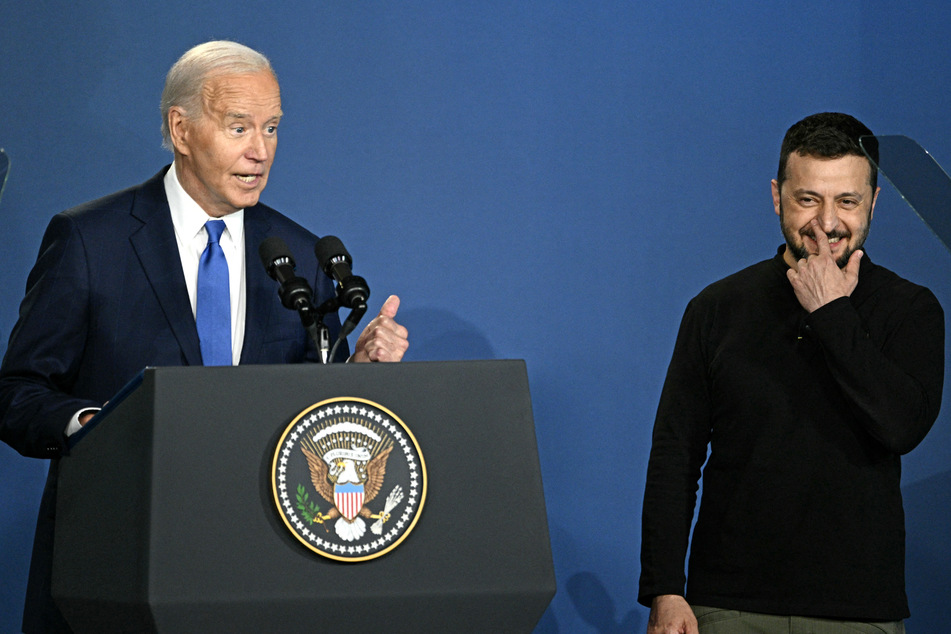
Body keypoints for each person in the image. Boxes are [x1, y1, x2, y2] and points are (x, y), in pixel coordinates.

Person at [0, 40, 409, 633]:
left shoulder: (298, 254)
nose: (260, 151)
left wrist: (360, 377)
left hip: (259, 568)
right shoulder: (91, 240)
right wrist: (92, 428)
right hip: (118, 560)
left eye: (271, 128)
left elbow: (317, 418)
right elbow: (18, 391)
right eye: (239, 126)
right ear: (181, 128)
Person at [638, 112, 945, 634]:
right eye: (808, 199)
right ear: (777, 196)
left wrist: (831, 315)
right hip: (728, 606)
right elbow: (675, 453)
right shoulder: (717, 308)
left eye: (847, 201)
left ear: (873, 201)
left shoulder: (911, 310)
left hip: (857, 613)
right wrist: (665, 588)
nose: (827, 222)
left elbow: (901, 427)